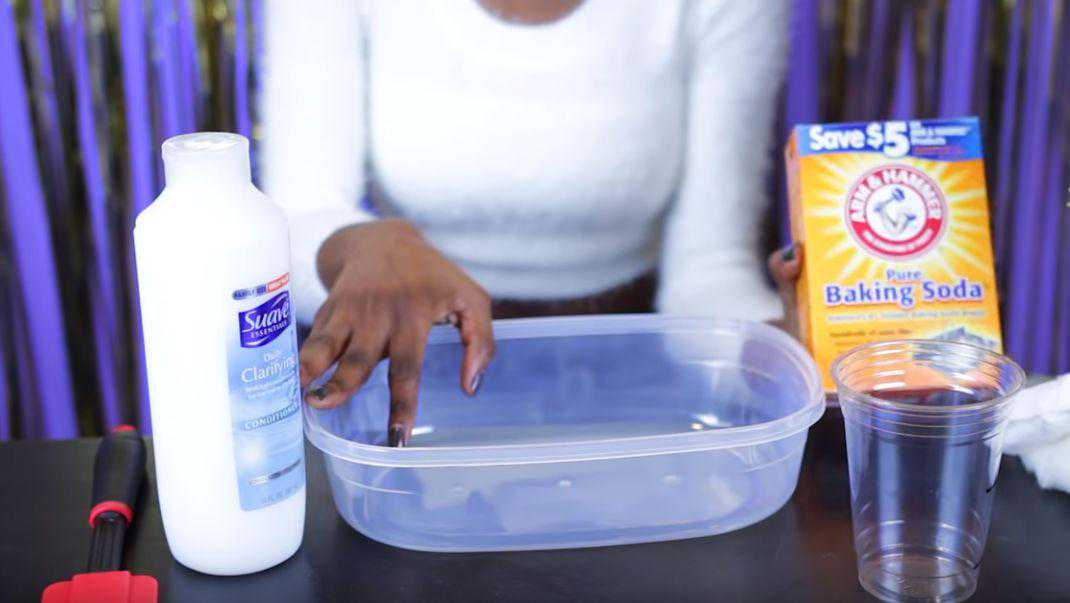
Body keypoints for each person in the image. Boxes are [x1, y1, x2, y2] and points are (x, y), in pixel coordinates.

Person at [260, 0, 800, 447]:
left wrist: (782, 351)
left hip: (639, 388)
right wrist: (360, 247)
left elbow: (709, 269)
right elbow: (292, 221)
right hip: (412, 377)